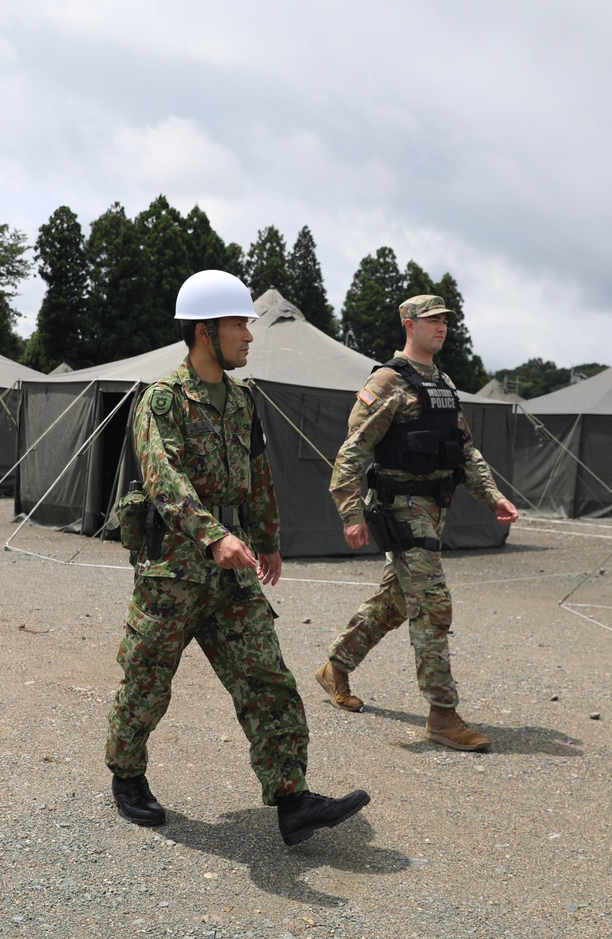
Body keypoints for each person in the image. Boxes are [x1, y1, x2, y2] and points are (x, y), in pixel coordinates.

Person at [106, 269, 369, 845]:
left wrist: (268, 539)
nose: (249, 336)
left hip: (233, 572)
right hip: (173, 571)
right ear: (205, 332)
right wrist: (211, 536)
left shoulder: (244, 400)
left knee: (267, 680)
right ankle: (127, 776)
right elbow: (162, 479)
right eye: (239, 325)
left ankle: (291, 799)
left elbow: (257, 476)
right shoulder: (162, 401)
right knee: (148, 682)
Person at [317, 294, 519, 752]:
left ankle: (335, 667)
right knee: (433, 605)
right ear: (409, 324)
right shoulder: (388, 380)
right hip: (402, 509)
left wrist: (494, 497)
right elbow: (352, 450)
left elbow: (464, 450)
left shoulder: (443, 383)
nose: (442, 327)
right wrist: (351, 514)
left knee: (393, 603)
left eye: (446, 320)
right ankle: (442, 715)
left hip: (435, 508)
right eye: (432, 321)